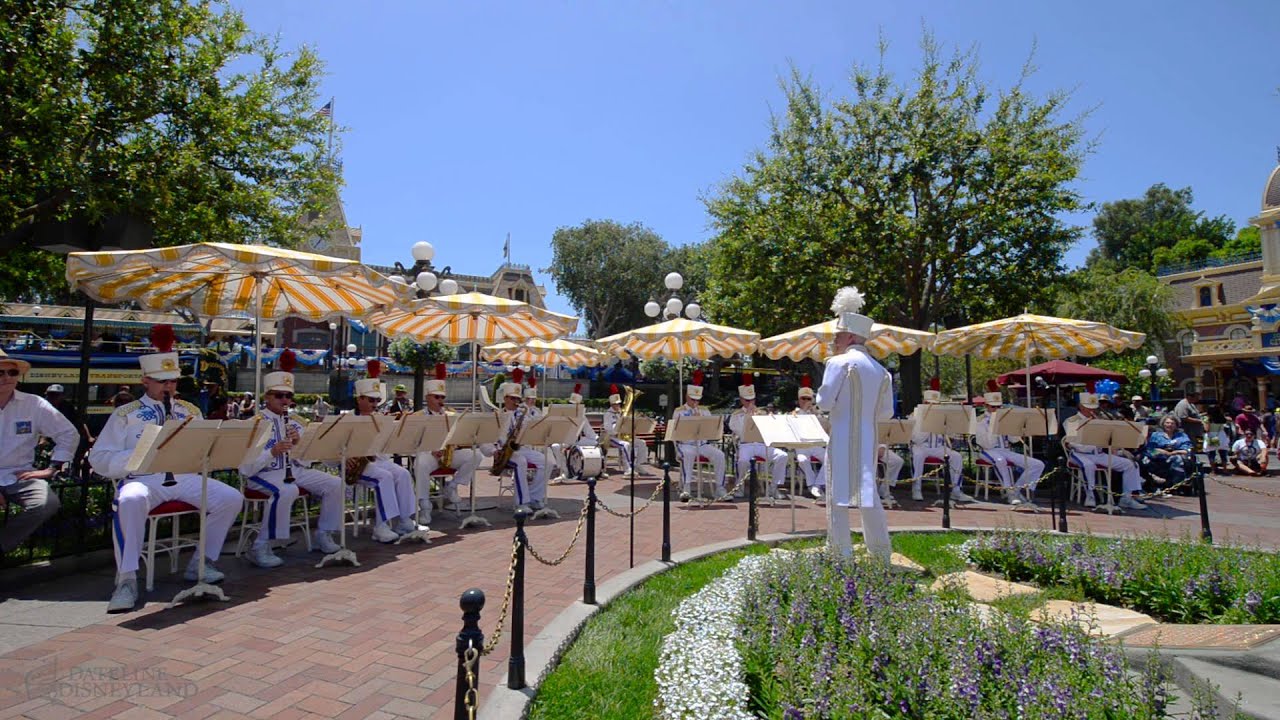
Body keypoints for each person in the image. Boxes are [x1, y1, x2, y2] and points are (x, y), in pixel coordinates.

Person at [89, 326, 241, 613]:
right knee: (129, 500)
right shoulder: (126, 414)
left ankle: (201, 562)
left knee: (231, 498)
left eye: (172, 381)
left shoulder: (189, 411)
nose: (168, 387)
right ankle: (126, 579)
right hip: (143, 479)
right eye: (161, 381)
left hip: (183, 477)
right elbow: (99, 458)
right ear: (145, 380)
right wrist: (139, 454)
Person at [237, 351, 345, 568]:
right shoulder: (254, 424)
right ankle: (260, 546)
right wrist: (273, 452)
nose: (285, 401)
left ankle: (324, 534)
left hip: (294, 472)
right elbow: (246, 468)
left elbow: (306, 460)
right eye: (279, 396)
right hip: (263, 474)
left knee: (335, 484)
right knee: (287, 490)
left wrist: (298, 447)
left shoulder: (295, 422)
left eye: (288, 396)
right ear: (267, 396)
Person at [815, 287, 891, 560]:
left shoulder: (838, 362)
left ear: (849, 336)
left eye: (837, 335)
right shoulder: (882, 371)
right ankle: (881, 553)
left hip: (842, 437)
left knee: (837, 498)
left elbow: (823, 402)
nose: (834, 340)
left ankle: (840, 553)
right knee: (868, 496)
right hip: (869, 438)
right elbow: (886, 412)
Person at [0, 352, 78, 556]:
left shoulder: (34, 404)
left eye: (12, 372)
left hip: (19, 474)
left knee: (46, 503)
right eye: (0, 372)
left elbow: (68, 433)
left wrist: (52, 468)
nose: (7, 377)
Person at [350, 363, 423, 542]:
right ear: (359, 399)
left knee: (403, 473)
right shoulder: (348, 419)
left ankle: (405, 520)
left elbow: (389, 447)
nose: (375, 404)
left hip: (379, 461)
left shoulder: (381, 419)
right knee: (384, 477)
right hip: (359, 465)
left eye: (377, 400)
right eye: (371, 400)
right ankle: (381, 526)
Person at [1064, 391, 1147, 510]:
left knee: (1129, 465)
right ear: (1081, 407)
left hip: (1098, 453)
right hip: (1080, 454)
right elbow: (1072, 443)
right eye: (1089, 408)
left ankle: (1127, 498)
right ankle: (1090, 496)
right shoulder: (1072, 420)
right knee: (1089, 465)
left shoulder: (1097, 420)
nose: (1092, 411)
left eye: (1093, 408)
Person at [414, 363, 481, 512]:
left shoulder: (450, 414)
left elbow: (460, 437)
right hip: (429, 455)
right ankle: (424, 505)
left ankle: (452, 486)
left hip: (449, 455)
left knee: (475, 456)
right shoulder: (418, 417)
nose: (440, 400)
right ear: (427, 397)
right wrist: (430, 450)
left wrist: (457, 443)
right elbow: (413, 441)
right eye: (437, 397)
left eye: (442, 397)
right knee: (420, 464)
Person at [481, 369, 549, 511]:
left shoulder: (522, 415)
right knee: (520, 462)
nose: (516, 402)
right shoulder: (497, 416)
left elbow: (533, 431)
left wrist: (527, 415)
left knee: (547, 461)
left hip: (521, 449)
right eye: (513, 398)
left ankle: (534, 497)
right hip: (504, 452)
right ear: (505, 398)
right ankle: (521, 502)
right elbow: (484, 442)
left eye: (518, 399)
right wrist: (494, 451)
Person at [974, 381, 1045, 506]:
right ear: (986, 406)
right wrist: (994, 426)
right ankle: (1009, 492)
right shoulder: (980, 421)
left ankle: (1017, 489)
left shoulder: (1005, 418)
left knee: (1038, 464)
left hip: (1005, 450)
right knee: (1000, 460)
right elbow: (987, 444)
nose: (996, 409)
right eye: (992, 406)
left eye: (998, 406)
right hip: (988, 451)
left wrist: (1020, 430)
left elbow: (1013, 440)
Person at [907, 377, 974, 505]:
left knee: (957, 457)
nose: (932, 406)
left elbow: (949, 435)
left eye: (935, 404)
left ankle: (956, 490)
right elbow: (916, 439)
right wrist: (927, 424)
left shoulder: (942, 414)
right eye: (929, 403)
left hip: (938, 447)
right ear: (924, 402)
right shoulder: (915, 415)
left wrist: (949, 426)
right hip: (921, 446)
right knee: (918, 456)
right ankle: (916, 488)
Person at [728, 372, 788, 500]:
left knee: (782, 456)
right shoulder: (736, 414)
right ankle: (739, 487)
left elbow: (771, 430)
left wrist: (769, 418)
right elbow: (738, 431)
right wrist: (748, 418)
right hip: (746, 444)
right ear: (741, 400)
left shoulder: (762, 413)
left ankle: (773, 488)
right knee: (743, 461)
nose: (750, 402)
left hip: (762, 444)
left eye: (752, 400)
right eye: (747, 400)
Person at [672, 370, 726, 502]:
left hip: (702, 444)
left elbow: (711, 429)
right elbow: (675, 431)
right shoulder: (679, 412)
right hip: (686, 444)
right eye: (692, 399)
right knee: (689, 455)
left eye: (697, 399)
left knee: (720, 455)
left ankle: (720, 487)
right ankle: (687, 487)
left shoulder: (704, 411)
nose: (695, 402)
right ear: (686, 397)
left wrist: (701, 419)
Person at [547, 383, 598, 482]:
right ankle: (564, 472)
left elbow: (589, 431)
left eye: (575, 405)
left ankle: (597, 469)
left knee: (596, 444)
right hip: (565, 439)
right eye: (572, 405)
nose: (573, 407)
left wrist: (597, 439)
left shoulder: (582, 416)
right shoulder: (563, 415)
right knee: (555, 446)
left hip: (578, 440)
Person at [602, 384, 650, 475]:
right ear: (612, 404)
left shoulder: (621, 413)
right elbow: (609, 429)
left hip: (623, 436)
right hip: (612, 438)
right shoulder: (608, 414)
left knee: (642, 443)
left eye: (619, 403)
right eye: (616, 404)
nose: (618, 405)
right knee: (625, 445)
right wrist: (619, 427)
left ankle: (638, 465)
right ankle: (627, 468)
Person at [791, 377, 826, 499]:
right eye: (803, 398)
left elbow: (825, 427)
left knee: (830, 458)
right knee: (802, 460)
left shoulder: (816, 413)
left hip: (815, 444)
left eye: (808, 399)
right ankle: (811, 484)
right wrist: (804, 411)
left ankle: (818, 484)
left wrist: (816, 414)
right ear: (799, 400)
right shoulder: (794, 413)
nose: (806, 401)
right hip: (801, 446)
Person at [1146, 414, 1193, 489]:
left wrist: (1174, 452)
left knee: (1177, 459)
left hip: (1176, 457)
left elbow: (1187, 450)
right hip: (1159, 458)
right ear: (1163, 424)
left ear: (1176, 425)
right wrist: (1161, 451)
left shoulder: (1182, 436)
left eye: (1172, 423)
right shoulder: (1156, 435)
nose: (1169, 425)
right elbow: (1150, 450)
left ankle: (1176, 485)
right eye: (1167, 423)